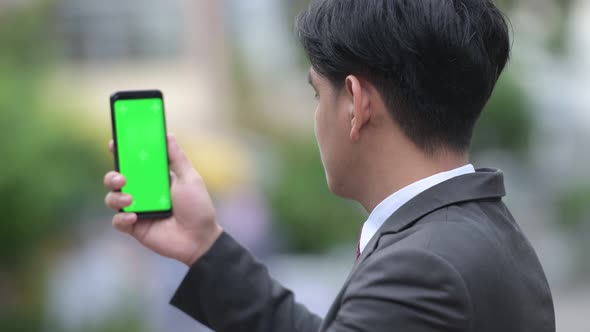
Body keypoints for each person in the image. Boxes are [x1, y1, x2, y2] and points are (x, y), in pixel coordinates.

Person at [103, 0, 555, 331]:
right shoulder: (481, 232)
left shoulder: (423, 266)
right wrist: (204, 244)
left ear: (356, 104)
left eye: (317, 94)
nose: (316, 115)